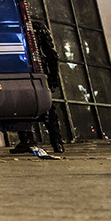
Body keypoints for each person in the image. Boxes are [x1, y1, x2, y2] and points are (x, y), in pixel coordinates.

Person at [11, 20, 65, 155]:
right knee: (48, 108)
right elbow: (52, 55)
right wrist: (53, 78)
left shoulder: (19, 26)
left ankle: (28, 140)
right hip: (38, 71)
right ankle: (57, 142)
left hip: (24, 70)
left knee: (23, 106)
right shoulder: (37, 28)